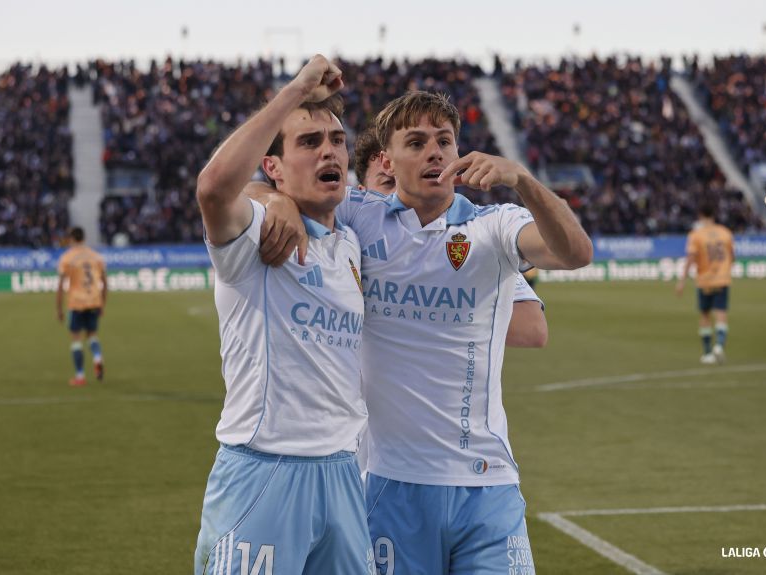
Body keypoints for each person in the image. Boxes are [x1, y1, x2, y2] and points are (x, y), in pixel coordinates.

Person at [254, 90, 591, 574]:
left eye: (444, 140)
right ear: (387, 161)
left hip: (488, 485)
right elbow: (240, 191)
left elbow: (576, 253)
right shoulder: (359, 216)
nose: (435, 151)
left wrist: (523, 181)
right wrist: (274, 200)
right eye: (416, 142)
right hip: (393, 485)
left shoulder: (492, 226)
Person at [193, 55, 374, 575]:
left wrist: (280, 199)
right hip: (264, 470)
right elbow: (213, 188)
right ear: (272, 166)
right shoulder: (255, 235)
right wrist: (294, 91)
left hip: (343, 472)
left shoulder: (351, 245)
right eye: (309, 142)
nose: (329, 150)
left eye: (337, 140)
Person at [352, 124, 547, 348]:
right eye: (387, 183)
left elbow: (532, 329)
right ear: (361, 194)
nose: (400, 191)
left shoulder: (475, 238)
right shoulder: (346, 241)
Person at [675, 200, 735, 364]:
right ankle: (720, 346)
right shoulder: (725, 233)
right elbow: (732, 257)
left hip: (704, 280)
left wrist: (682, 280)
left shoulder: (696, 235)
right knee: (721, 313)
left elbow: (691, 258)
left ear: (700, 215)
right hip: (722, 278)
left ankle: (708, 353)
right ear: (714, 214)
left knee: (705, 315)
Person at [56, 226, 106, 387]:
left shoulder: (67, 258)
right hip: (94, 300)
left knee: (76, 338)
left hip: (76, 302)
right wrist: (102, 303)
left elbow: (60, 284)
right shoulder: (96, 256)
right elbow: (105, 282)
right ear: (83, 238)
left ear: (71, 238)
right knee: (92, 335)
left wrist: (59, 309)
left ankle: (80, 376)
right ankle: (97, 357)